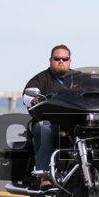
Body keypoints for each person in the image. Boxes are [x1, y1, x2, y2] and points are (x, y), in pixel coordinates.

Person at [23, 44, 75, 189]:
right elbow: (28, 94)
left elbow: (95, 88)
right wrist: (34, 100)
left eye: (65, 59)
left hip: (75, 124)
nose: (61, 61)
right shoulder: (41, 79)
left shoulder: (79, 78)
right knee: (43, 126)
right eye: (57, 58)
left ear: (70, 61)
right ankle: (45, 175)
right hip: (51, 124)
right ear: (50, 60)